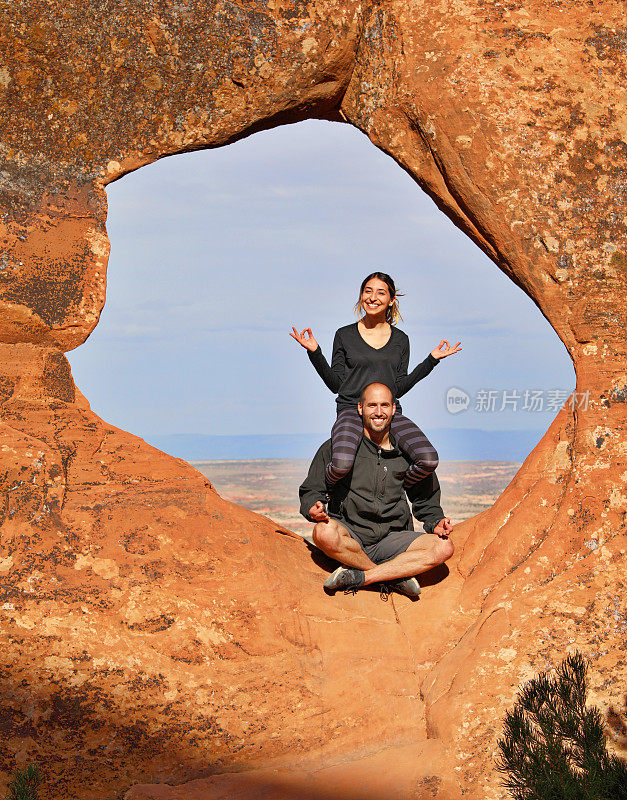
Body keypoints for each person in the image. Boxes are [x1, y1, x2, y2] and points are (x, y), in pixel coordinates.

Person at [290, 272, 461, 492]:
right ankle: (327, 493)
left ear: (391, 300)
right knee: (341, 464)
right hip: (352, 410)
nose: (372, 297)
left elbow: (398, 387)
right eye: (367, 291)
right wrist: (315, 352)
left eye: (381, 292)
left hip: (388, 412)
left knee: (428, 459)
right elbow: (336, 385)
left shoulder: (401, 340)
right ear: (361, 296)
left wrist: (431, 361)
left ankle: (396, 489)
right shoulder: (344, 335)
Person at [299, 382, 454, 598]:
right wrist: (312, 507)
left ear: (393, 409)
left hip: (393, 537)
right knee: (323, 533)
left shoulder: (407, 454)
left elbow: (425, 498)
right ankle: (392, 576)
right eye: (372, 406)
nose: (379, 412)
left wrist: (435, 521)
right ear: (360, 408)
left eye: (384, 405)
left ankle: (364, 577)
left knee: (444, 548)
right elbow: (312, 489)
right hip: (351, 535)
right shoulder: (337, 448)